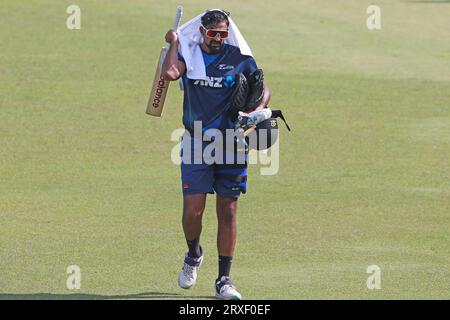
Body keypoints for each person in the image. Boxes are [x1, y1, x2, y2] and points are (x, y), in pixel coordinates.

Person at [161, 8, 271, 300]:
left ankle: (224, 279)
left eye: (223, 33)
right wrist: (173, 42)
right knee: (192, 211)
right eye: (213, 34)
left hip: (232, 143)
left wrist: (256, 111)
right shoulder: (190, 55)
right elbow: (170, 73)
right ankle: (194, 253)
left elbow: (263, 89)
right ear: (202, 32)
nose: (219, 39)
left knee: (228, 210)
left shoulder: (240, 58)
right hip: (196, 143)